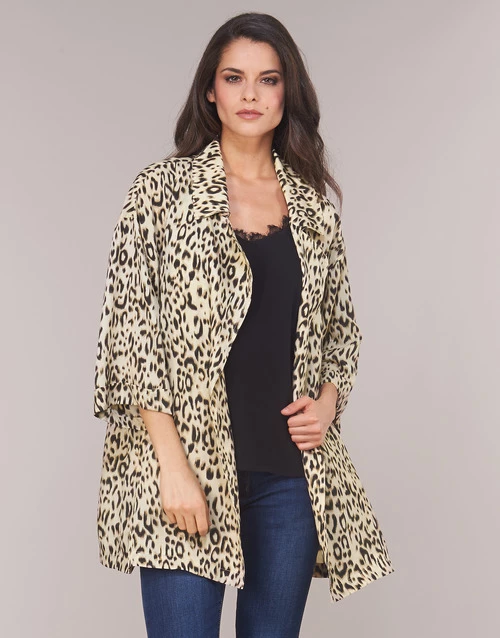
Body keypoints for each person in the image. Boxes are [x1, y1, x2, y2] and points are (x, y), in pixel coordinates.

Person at [92, 11, 394, 638]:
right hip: (188, 465)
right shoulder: (162, 191)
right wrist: (171, 468)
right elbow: (129, 335)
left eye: (268, 79)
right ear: (211, 90)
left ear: (288, 93)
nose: (250, 95)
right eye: (234, 78)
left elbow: (341, 333)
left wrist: (328, 403)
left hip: (288, 479)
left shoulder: (313, 210)